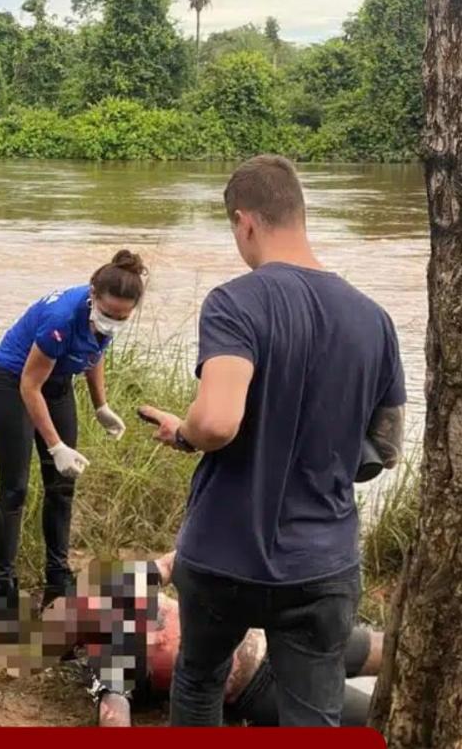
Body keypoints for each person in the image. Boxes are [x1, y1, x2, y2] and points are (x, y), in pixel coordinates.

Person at [138, 155, 406, 726]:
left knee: (201, 678)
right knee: (314, 713)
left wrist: (185, 433)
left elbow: (216, 423)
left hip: (222, 554)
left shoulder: (237, 302)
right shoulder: (374, 319)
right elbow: (386, 447)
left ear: (245, 222)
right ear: (301, 215)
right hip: (320, 560)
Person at [40, 554, 383, 728]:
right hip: (258, 685)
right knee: (376, 715)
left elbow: (175, 560)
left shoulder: (118, 587)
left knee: (387, 649)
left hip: (274, 630)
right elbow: (114, 715)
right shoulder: (106, 656)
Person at [0, 251, 146, 608]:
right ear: (93, 295)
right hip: (12, 382)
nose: (113, 321)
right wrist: (55, 445)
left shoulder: (105, 316)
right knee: (16, 489)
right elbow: (29, 386)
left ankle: (57, 582)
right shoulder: (61, 319)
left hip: (56, 382)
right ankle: (5, 590)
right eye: (108, 313)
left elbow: (95, 352)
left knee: (62, 485)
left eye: (122, 316)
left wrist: (100, 405)